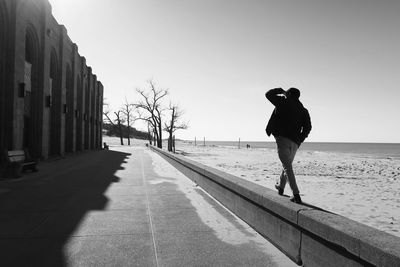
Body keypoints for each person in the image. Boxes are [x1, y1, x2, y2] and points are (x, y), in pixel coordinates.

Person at [265, 87, 312, 204]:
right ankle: (280, 188)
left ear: (288, 94)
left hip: (282, 139)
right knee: (287, 164)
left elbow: (268, 94)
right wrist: (300, 139)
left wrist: (280, 90)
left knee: (287, 167)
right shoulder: (303, 110)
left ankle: (296, 194)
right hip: (295, 142)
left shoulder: (283, 102)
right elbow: (308, 128)